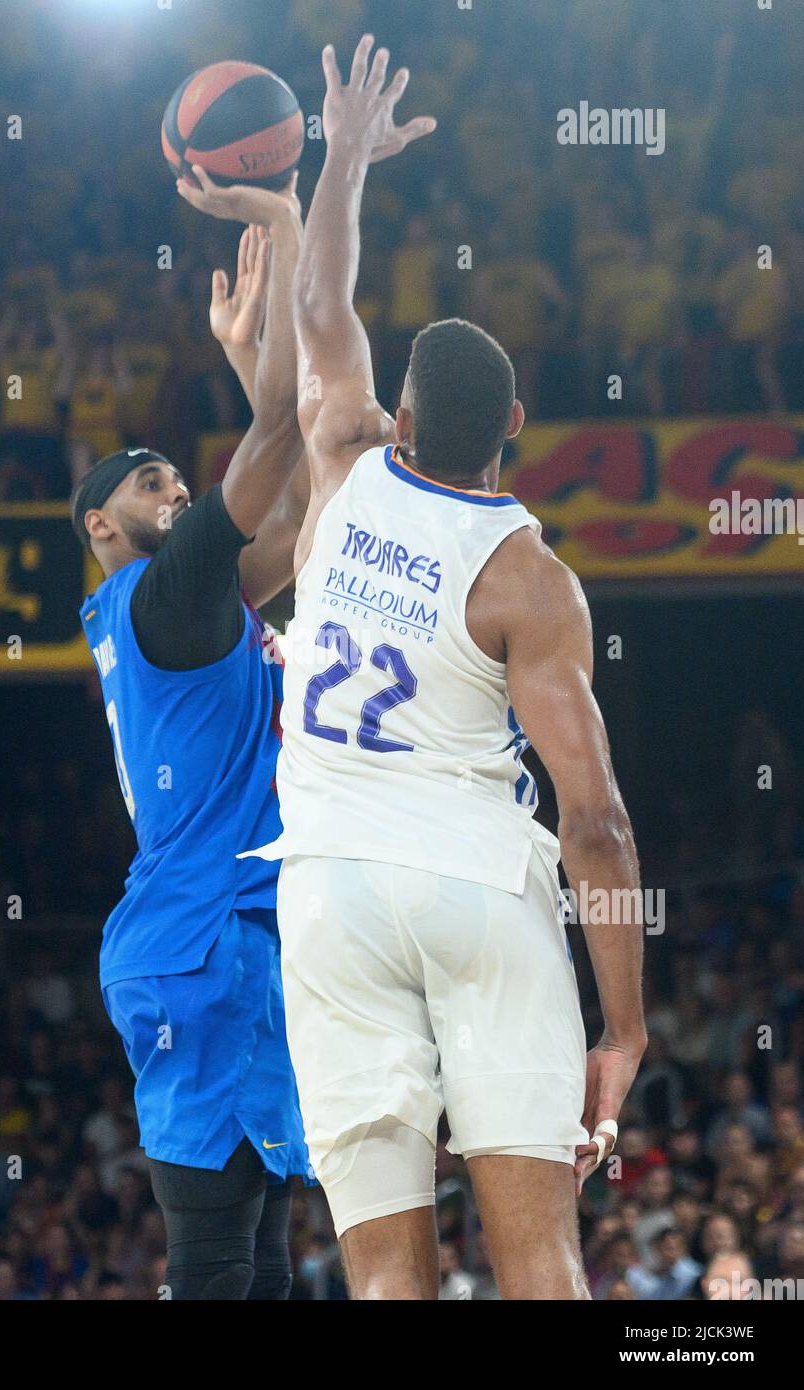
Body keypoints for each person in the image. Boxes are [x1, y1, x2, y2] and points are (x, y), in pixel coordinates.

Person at [246, 35, 646, 1299]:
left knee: (381, 1279)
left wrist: (344, 158)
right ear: (516, 429)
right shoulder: (532, 580)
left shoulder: (346, 454)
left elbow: (318, 308)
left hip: (327, 900)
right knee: (538, 1257)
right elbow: (599, 825)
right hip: (477, 887)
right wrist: (624, 1025)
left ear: (401, 416)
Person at [71, 184, 312, 1300]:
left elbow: (303, 500)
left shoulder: (205, 607)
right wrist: (255, 347)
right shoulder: (159, 597)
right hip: (196, 940)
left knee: (263, 1249)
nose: (174, 486)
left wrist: (263, 361)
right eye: (150, 481)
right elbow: (272, 443)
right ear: (102, 525)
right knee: (218, 1259)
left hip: (231, 933)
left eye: (178, 475)